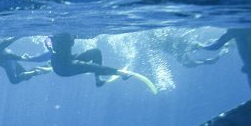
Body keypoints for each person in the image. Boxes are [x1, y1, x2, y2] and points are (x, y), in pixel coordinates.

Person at [24, 33, 158, 92]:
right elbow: (45, 49)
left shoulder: (66, 36)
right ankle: (122, 74)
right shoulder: (55, 44)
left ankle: (98, 80)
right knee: (92, 67)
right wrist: (28, 58)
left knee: (95, 52)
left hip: (69, 60)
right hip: (64, 68)